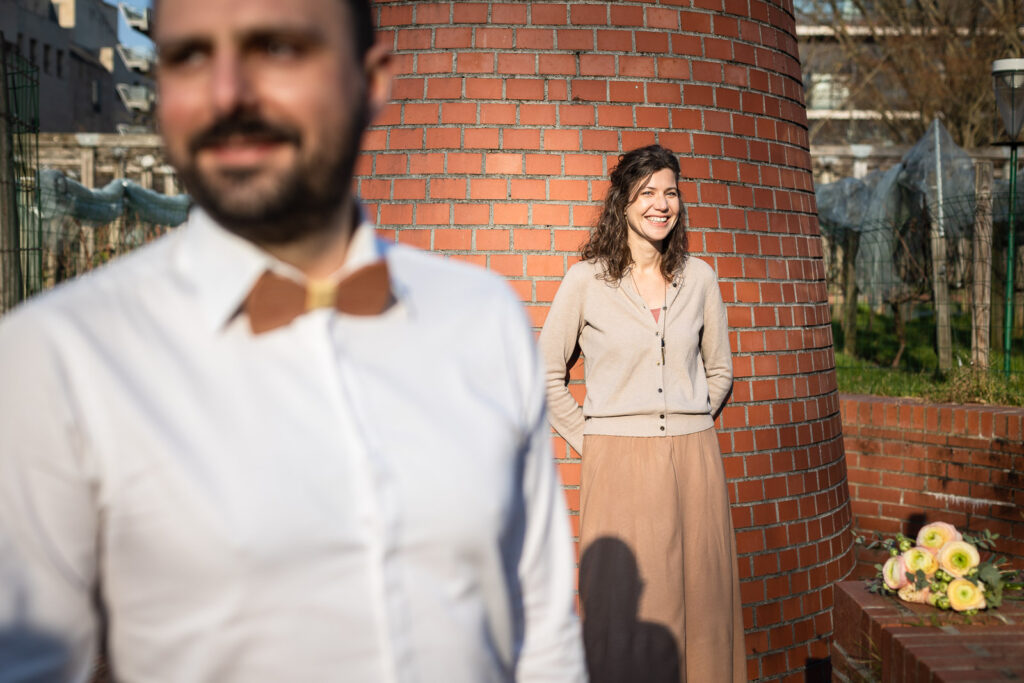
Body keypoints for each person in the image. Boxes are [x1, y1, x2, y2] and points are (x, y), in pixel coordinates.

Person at [0, 0, 585, 681]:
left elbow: (544, 634)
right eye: (189, 57)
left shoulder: (483, 317)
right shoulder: (54, 357)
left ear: (372, 81)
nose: (227, 94)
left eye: (276, 49)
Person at [539, 145, 746, 682]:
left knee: (703, 601)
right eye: (648, 192)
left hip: (696, 459)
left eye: (670, 192)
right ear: (624, 202)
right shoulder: (587, 281)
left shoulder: (699, 278)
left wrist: (691, 416)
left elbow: (719, 370)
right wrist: (596, 439)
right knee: (627, 609)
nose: (662, 204)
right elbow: (543, 376)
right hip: (618, 464)